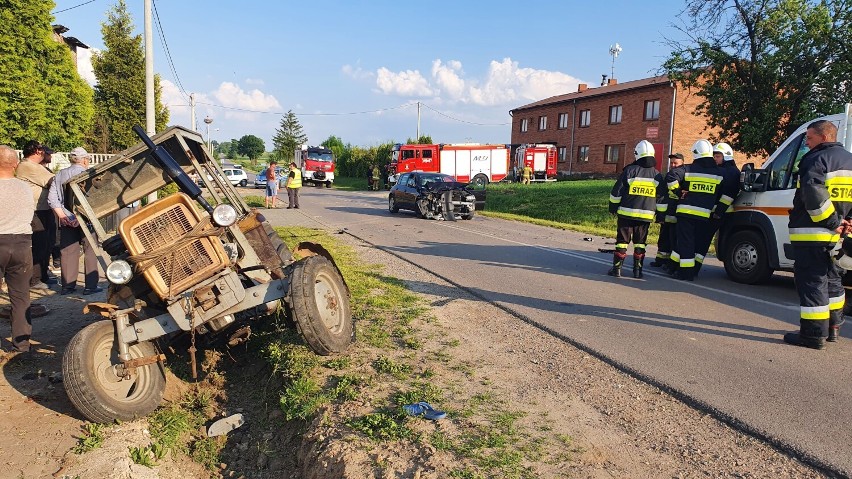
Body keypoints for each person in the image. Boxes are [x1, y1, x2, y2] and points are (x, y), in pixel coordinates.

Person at [784, 120, 852, 349]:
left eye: (809, 138)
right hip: (838, 236)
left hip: (813, 234)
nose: (806, 142)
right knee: (833, 281)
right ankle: (833, 328)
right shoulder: (850, 161)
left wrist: (832, 222)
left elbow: (813, 194)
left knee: (812, 283)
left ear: (824, 137)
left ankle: (812, 335)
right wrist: (846, 222)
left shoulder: (815, 159)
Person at [670, 140, 729, 281]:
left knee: (686, 242)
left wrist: (678, 192)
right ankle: (688, 270)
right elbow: (722, 193)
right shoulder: (719, 173)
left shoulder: (688, 169)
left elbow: (671, 177)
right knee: (696, 242)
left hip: (686, 212)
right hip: (704, 215)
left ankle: (685, 273)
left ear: (696, 153)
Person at [48, 147, 101, 295]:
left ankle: (67, 286)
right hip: (86, 218)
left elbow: (52, 199)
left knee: (68, 252)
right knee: (90, 250)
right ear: (84, 159)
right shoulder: (88, 175)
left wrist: (64, 216)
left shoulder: (60, 174)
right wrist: (80, 217)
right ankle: (90, 286)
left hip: (66, 220)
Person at [607, 140, 664, 278]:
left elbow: (617, 192)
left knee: (622, 242)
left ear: (637, 154)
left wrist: (613, 207)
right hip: (645, 217)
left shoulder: (630, 171)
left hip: (626, 214)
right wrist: (661, 215)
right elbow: (662, 198)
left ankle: (617, 270)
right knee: (640, 243)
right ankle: (638, 271)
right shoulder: (657, 175)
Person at [0, 145, 35, 356]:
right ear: (15, 164)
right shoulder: (24, 188)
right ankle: (21, 345)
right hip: (21, 243)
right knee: (21, 297)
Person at [692, 143, 740, 278]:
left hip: (721, 214)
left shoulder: (731, 172)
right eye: (713, 156)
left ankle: (695, 267)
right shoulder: (724, 170)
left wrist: (719, 212)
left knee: (703, 239)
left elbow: (729, 195)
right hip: (714, 212)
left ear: (726, 157)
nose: (715, 159)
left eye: (718, 156)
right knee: (702, 239)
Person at [15, 141, 56, 291]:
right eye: (44, 151)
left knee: (47, 243)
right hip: (35, 211)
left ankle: (43, 275)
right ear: (38, 151)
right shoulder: (28, 166)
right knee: (39, 245)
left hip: (43, 209)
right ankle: (35, 279)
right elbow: (53, 181)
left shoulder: (36, 167)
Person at [650, 153, 684, 269]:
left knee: (674, 239)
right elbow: (661, 196)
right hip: (667, 214)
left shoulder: (684, 176)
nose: (673, 165)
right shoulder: (667, 176)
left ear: (682, 164)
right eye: (672, 163)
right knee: (664, 238)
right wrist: (660, 215)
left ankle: (671, 262)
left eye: (676, 163)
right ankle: (660, 260)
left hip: (677, 214)